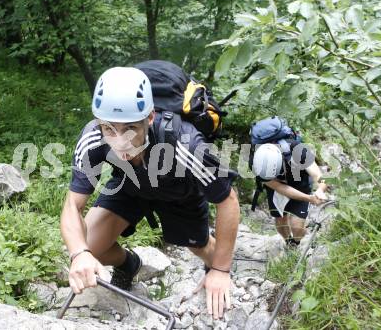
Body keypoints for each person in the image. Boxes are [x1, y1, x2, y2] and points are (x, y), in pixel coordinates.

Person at [60, 66, 240, 320]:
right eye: (109, 129)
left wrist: (221, 270)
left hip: (179, 193)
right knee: (86, 244)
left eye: (130, 129)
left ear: (150, 118)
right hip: (130, 185)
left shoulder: (183, 141)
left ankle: (216, 273)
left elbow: (227, 199)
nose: (120, 141)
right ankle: (128, 264)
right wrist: (79, 254)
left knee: (202, 248)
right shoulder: (92, 137)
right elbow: (72, 206)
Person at [252, 142, 328, 247]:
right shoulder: (255, 163)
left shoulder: (298, 150)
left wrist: (320, 190)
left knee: (297, 227)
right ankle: (288, 242)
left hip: (300, 182)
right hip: (277, 188)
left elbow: (319, 177)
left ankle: (296, 242)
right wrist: (309, 198)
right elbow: (281, 188)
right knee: (280, 220)